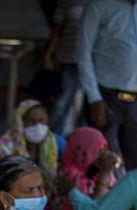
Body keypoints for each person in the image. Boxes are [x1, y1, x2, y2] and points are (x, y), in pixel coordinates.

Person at [77, 0, 137, 171]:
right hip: (106, 97)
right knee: (103, 166)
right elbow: (82, 54)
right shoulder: (100, 6)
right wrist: (93, 97)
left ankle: (134, 199)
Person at [43, 0, 90, 135]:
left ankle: (84, 144)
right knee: (61, 104)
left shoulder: (100, 3)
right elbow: (57, 31)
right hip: (69, 59)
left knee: (88, 107)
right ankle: (53, 144)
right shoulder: (66, 2)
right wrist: (48, 55)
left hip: (93, 63)